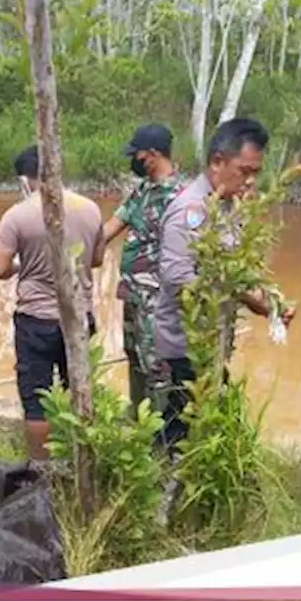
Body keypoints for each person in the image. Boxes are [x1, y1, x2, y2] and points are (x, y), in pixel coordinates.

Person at [154, 117, 293, 451]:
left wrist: (267, 300)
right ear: (217, 162)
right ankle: (159, 491)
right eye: (244, 171)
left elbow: (235, 270)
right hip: (184, 345)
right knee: (183, 429)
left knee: (194, 427)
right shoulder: (191, 210)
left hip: (211, 340)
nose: (250, 181)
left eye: (256, 173)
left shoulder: (229, 208)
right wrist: (246, 294)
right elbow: (177, 278)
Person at [0, 145, 106, 460]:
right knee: (81, 390)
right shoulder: (91, 209)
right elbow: (96, 259)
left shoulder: (16, 215)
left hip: (36, 321)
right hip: (79, 318)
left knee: (37, 400)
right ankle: (83, 459)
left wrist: (24, 266)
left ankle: (41, 471)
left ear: (25, 179)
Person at [101, 124, 186, 418]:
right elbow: (111, 228)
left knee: (158, 365)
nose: (134, 160)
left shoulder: (180, 198)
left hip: (158, 299)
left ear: (151, 155)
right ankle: (138, 418)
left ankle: (162, 434)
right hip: (133, 295)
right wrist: (76, 249)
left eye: (137, 154)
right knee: (134, 357)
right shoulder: (142, 191)